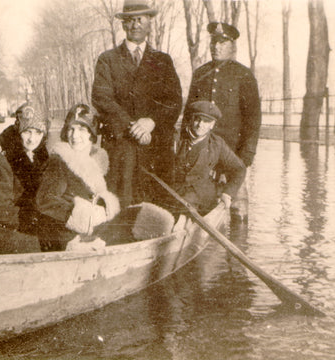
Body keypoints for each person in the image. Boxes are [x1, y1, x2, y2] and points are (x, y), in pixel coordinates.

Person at [91, 0, 182, 209]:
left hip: (155, 147)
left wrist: (151, 121)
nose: (135, 25)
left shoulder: (163, 61)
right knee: (120, 203)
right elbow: (101, 98)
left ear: (149, 23)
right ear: (123, 25)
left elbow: (174, 101)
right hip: (121, 146)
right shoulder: (107, 60)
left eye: (140, 19)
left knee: (157, 204)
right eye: (130, 20)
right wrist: (133, 126)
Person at [184, 22, 261, 222]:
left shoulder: (243, 75)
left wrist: (245, 158)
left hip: (232, 155)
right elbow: (188, 115)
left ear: (232, 46)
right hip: (202, 156)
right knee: (200, 208)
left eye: (222, 42)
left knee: (237, 211)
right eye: (213, 41)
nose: (216, 46)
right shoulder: (200, 74)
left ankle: (239, 243)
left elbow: (253, 121)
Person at [35, 104, 120, 251]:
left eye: (81, 129)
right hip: (66, 238)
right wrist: (79, 213)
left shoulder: (97, 162)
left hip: (91, 233)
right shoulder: (60, 161)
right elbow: (45, 200)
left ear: (91, 135)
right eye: (71, 129)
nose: (74, 136)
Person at [0, 102, 50, 253]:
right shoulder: (5, 162)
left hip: (34, 226)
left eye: (38, 133)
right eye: (27, 132)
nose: (32, 139)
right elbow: (1, 208)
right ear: (18, 131)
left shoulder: (44, 158)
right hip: (9, 229)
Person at [171, 101, 246, 216]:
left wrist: (227, 193)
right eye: (197, 119)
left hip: (201, 198)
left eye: (206, 121)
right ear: (191, 119)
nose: (200, 125)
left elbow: (239, 169)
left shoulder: (217, 144)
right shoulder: (174, 138)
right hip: (172, 195)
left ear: (212, 125)